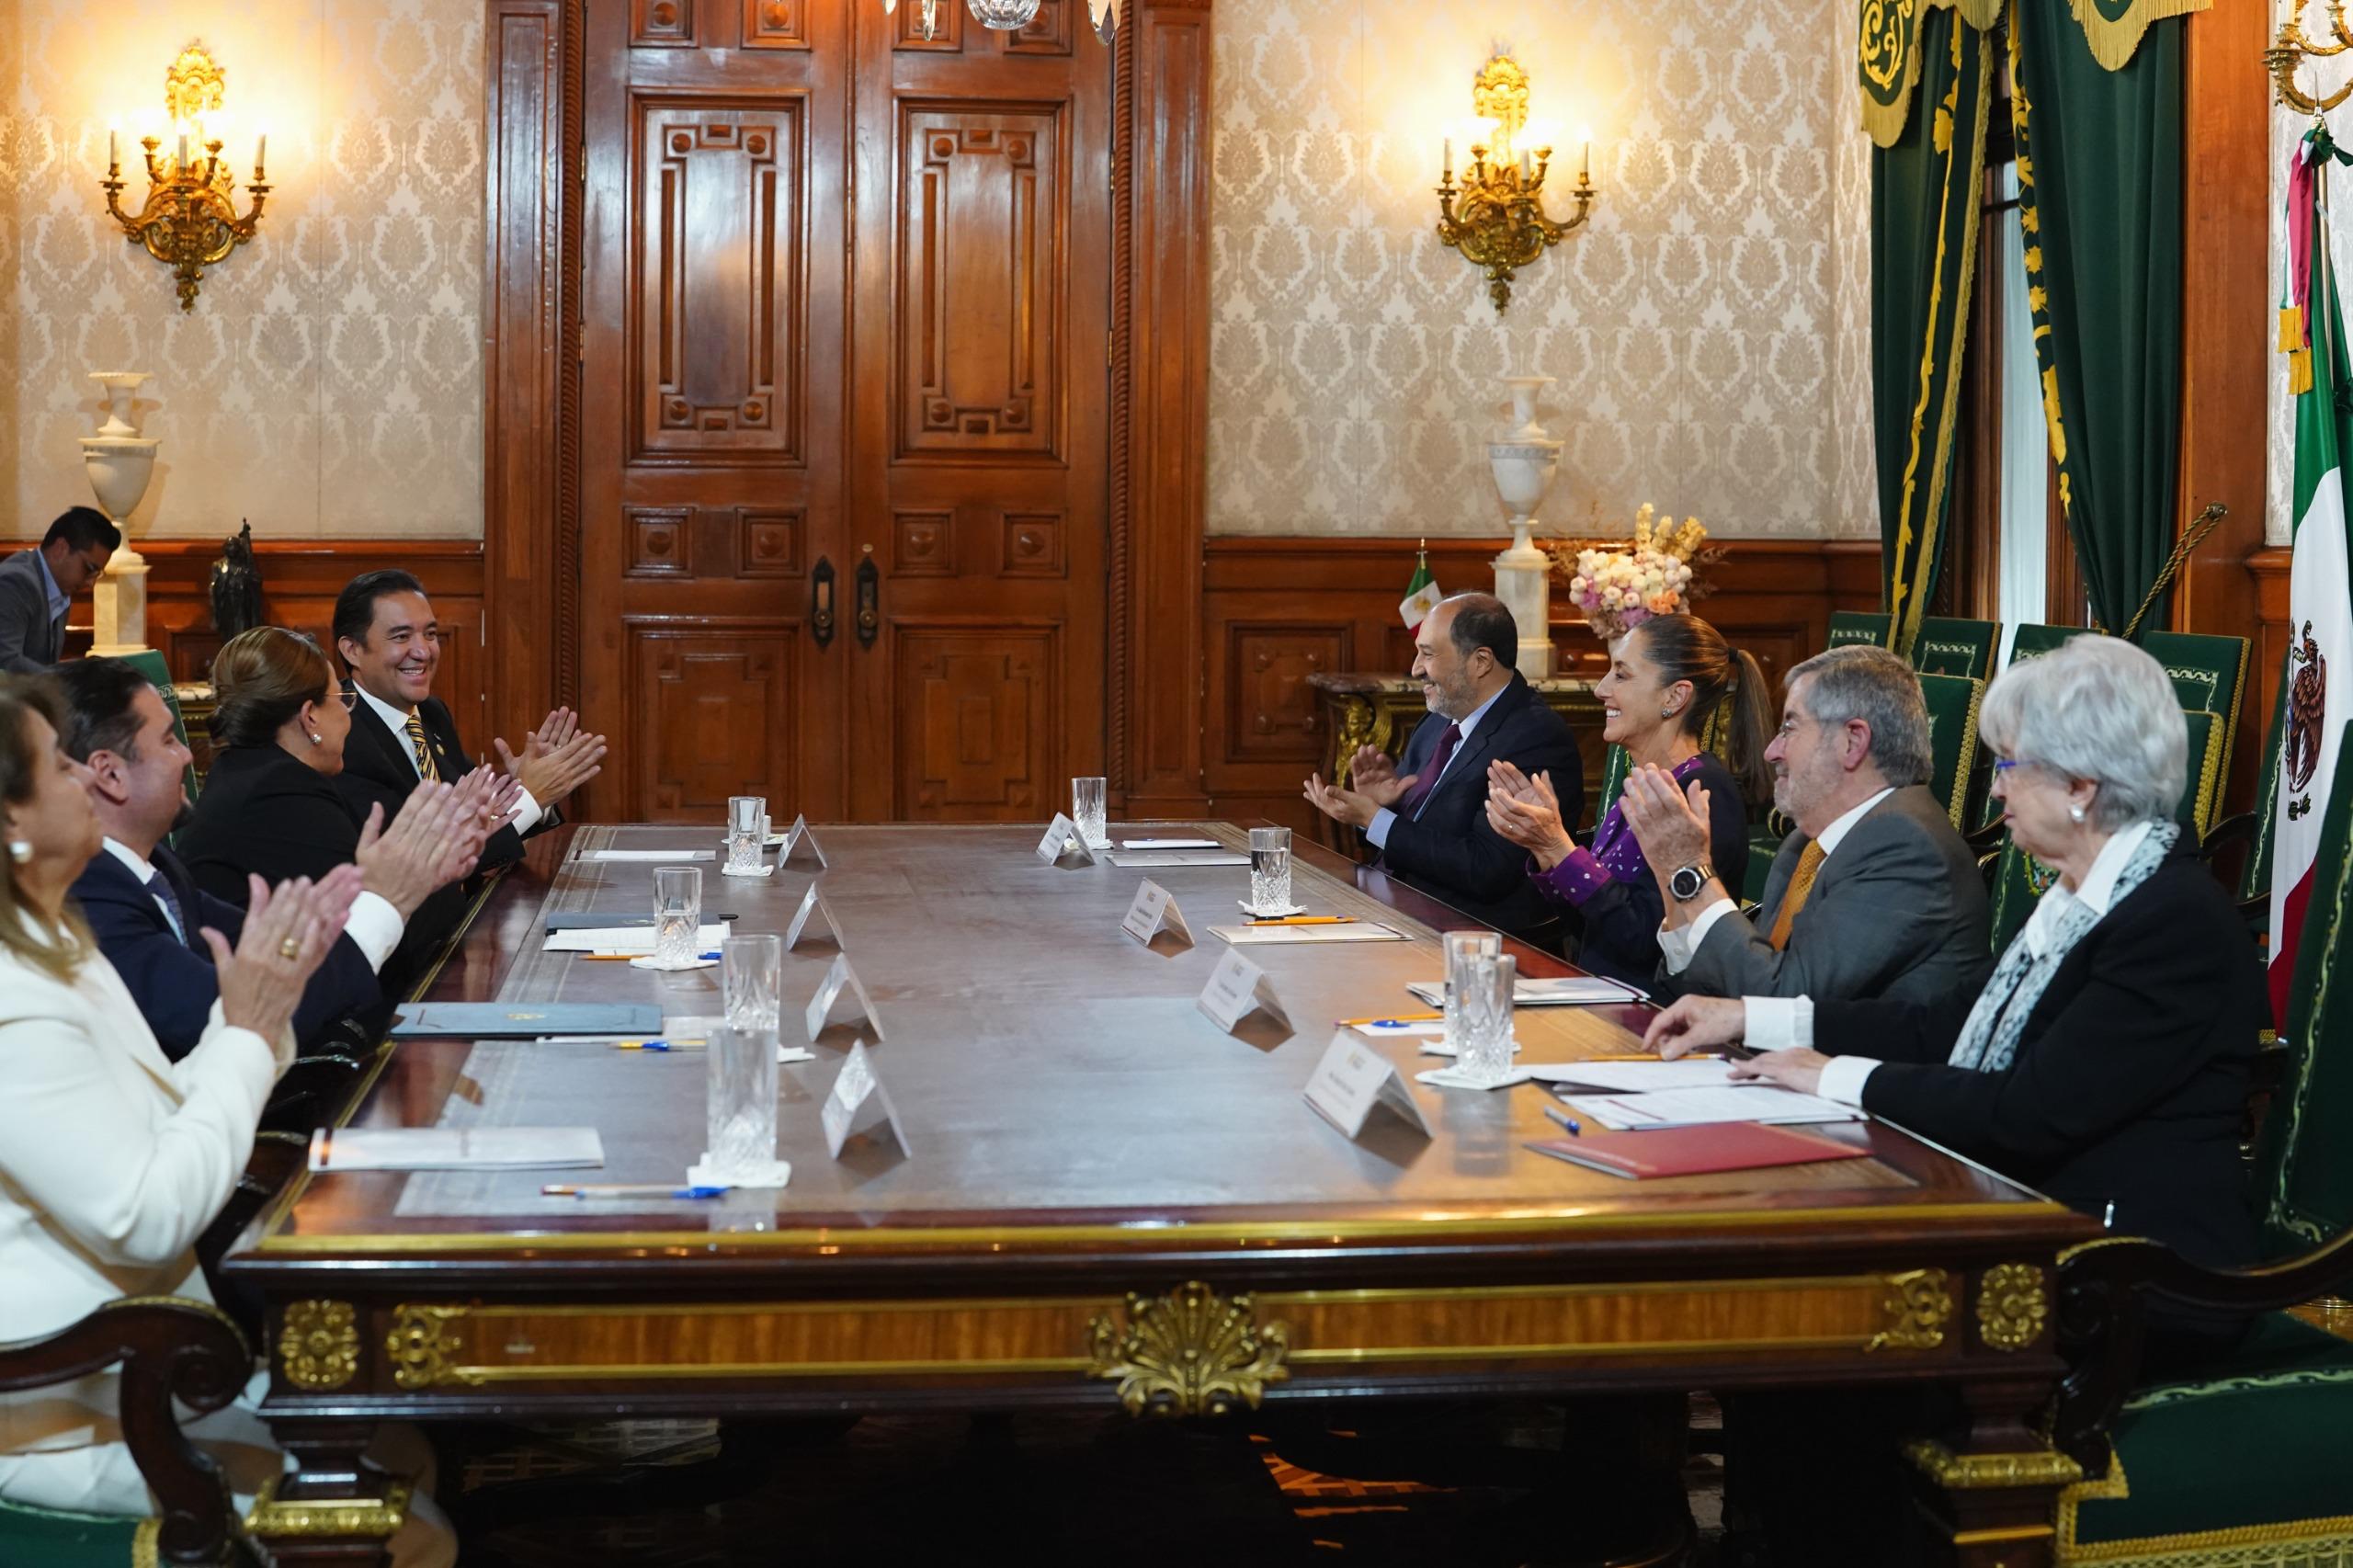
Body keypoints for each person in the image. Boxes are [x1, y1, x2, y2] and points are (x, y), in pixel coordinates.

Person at [1645, 635, 2263, 1564]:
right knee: (1795, 1335)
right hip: (2041, 1221)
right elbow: (1946, 1025)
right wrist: (1754, 1017)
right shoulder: (2084, 892)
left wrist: (1828, 1075)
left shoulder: (2168, 919)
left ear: (2081, 786)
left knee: (1828, 1346)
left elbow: (2030, 1111)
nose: (1995, 790)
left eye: (2010, 766)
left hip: (2132, 1270)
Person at [0, 674, 453, 1566]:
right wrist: (248, 1026)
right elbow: (144, 1215)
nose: (83, 776)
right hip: (63, 1405)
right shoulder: (15, 996)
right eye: (57, 765)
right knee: (413, 1530)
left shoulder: (55, 944)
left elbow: (166, 1109)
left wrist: (255, 1014)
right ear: (12, 820)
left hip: (135, 1367)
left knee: (404, 1448)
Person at [54, 656, 485, 1061]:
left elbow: (280, 949)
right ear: (110, 773)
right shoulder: (86, 896)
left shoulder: (157, 869)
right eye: (168, 740)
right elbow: (230, 1018)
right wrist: (386, 899)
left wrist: (395, 886)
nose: (186, 754)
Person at [1627, 642, 1989, 1006]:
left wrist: (1692, 872)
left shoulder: (1905, 847)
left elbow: (1785, 1001)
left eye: (1789, 728)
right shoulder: (1805, 844)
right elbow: (1748, 981)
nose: (1771, 751)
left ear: (1852, 742)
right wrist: (1673, 879)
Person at [176, 626, 506, 991]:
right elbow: (376, 946)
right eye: (342, 699)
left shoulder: (248, 773)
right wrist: (436, 867)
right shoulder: (282, 793)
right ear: (310, 717)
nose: (349, 715)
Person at [1484, 614, 1768, 984]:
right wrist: (1544, 848)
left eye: (1621, 675)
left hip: (1652, 1009)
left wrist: (1558, 847)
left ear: (1675, 696)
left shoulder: (1700, 792)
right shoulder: (1646, 783)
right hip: (1600, 994)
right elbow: (1589, 928)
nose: (1601, 689)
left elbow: (1647, 943)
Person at [1301, 593, 1581, 938]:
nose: (1416, 668)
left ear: (1480, 662)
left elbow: (1486, 870)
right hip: (1395, 909)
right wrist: (1385, 807)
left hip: (1467, 936)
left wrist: (1375, 819)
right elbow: (1416, 838)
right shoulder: (1439, 720)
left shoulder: (1534, 737)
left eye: (1428, 654)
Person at [331, 568, 605, 873]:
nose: (424, 651)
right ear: (353, 650)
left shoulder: (431, 713)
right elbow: (419, 863)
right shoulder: (340, 735)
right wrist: (530, 798)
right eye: (402, 637)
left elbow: (476, 824)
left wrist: (514, 793)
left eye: (430, 634)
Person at [0, 507, 119, 674]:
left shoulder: (59, 589)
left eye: (97, 574)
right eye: (89, 569)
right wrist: (66, 682)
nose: (91, 583)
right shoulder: (15, 582)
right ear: (60, 548)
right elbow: (6, 662)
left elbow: (45, 665)